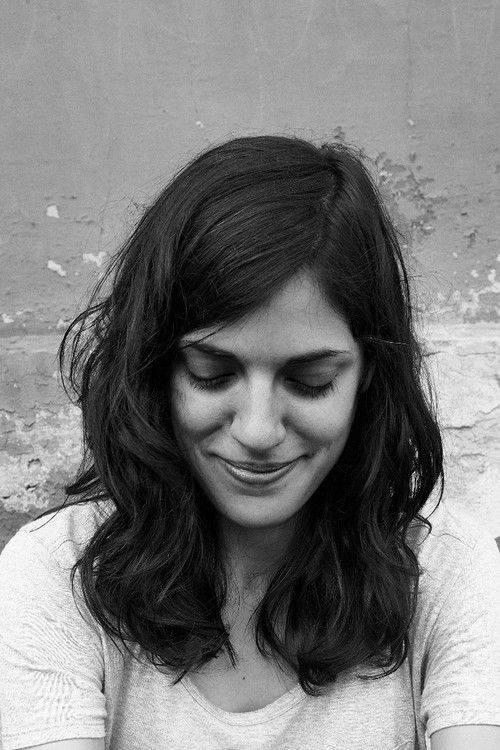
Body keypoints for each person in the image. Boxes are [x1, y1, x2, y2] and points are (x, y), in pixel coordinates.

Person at [0, 135, 499, 750]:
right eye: (211, 375)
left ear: (369, 370)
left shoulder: (446, 571)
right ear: (155, 366)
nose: (258, 431)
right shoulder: (60, 574)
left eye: (310, 381)